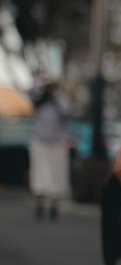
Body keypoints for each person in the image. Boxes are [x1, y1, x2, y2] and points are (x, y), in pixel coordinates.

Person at [28, 73, 71, 220]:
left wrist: (55, 94)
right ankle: (39, 205)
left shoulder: (60, 99)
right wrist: (42, 87)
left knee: (57, 176)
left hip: (57, 143)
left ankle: (54, 207)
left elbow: (66, 111)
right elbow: (32, 96)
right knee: (39, 175)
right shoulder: (39, 98)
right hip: (40, 141)